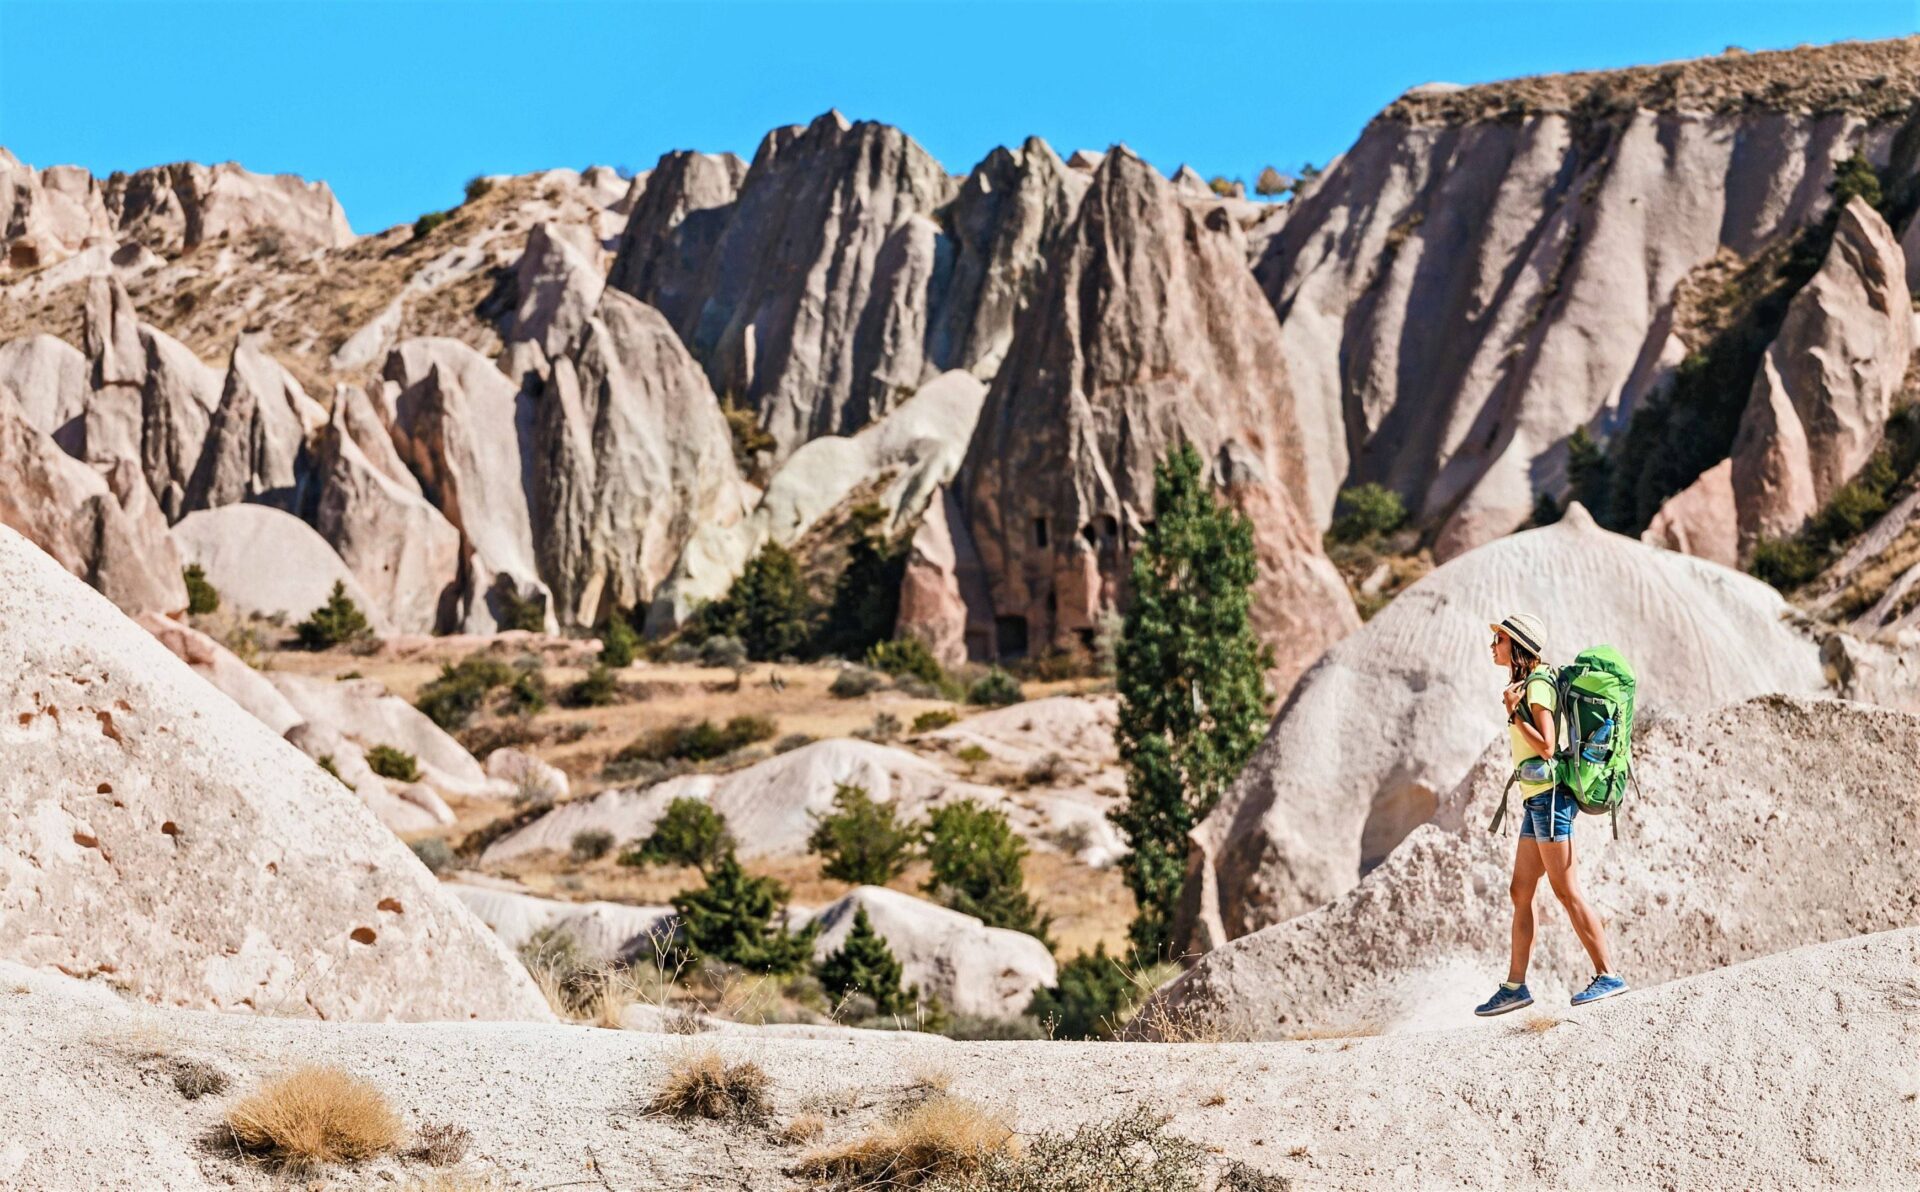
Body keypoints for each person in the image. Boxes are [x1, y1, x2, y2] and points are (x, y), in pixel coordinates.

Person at [1473, 613, 1627, 1016]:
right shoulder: (1529, 683)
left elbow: (1546, 745)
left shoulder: (1538, 686)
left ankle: (1608, 974)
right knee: (1520, 892)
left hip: (1551, 800)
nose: (1493, 646)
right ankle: (1515, 987)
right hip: (1536, 801)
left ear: (1518, 646)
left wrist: (1513, 714)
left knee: (1565, 891)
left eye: (1500, 640)